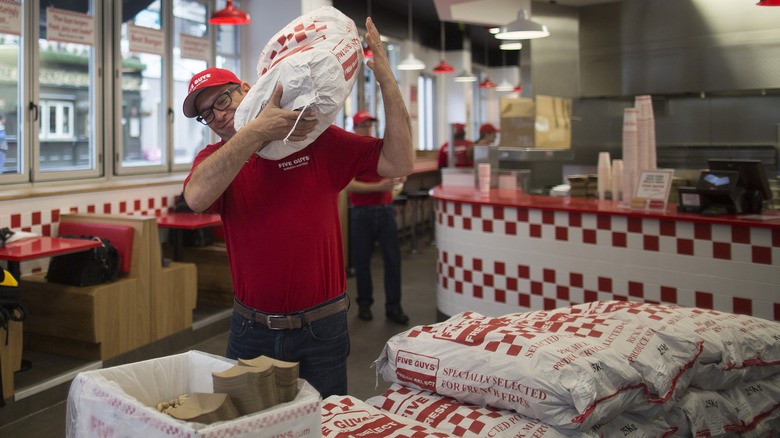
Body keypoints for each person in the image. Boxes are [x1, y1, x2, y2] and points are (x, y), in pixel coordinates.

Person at [181, 17, 413, 399]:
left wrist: (387, 81)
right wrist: (256, 131)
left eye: (222, 100)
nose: (218, 116)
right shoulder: (217, 159)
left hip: (321, 327)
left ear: (245, 89)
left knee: (322, 423)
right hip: (249, 329)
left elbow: (398, 163)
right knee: (250, 428)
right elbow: (195, 198)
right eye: (206, 114)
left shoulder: (311, 138)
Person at [346, 110, 409, 324]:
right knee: (363, 261)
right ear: (354, 127)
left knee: (393, 261)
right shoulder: (351, 149)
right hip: (361, 211)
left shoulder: (381, 147)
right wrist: (379, 186)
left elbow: (395, 169)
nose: (367, 128)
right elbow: (348, 184)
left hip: (385, 209)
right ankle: (364, 304)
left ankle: (394, 306)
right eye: (363, 125)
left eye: (370, 124)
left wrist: (399, 175)